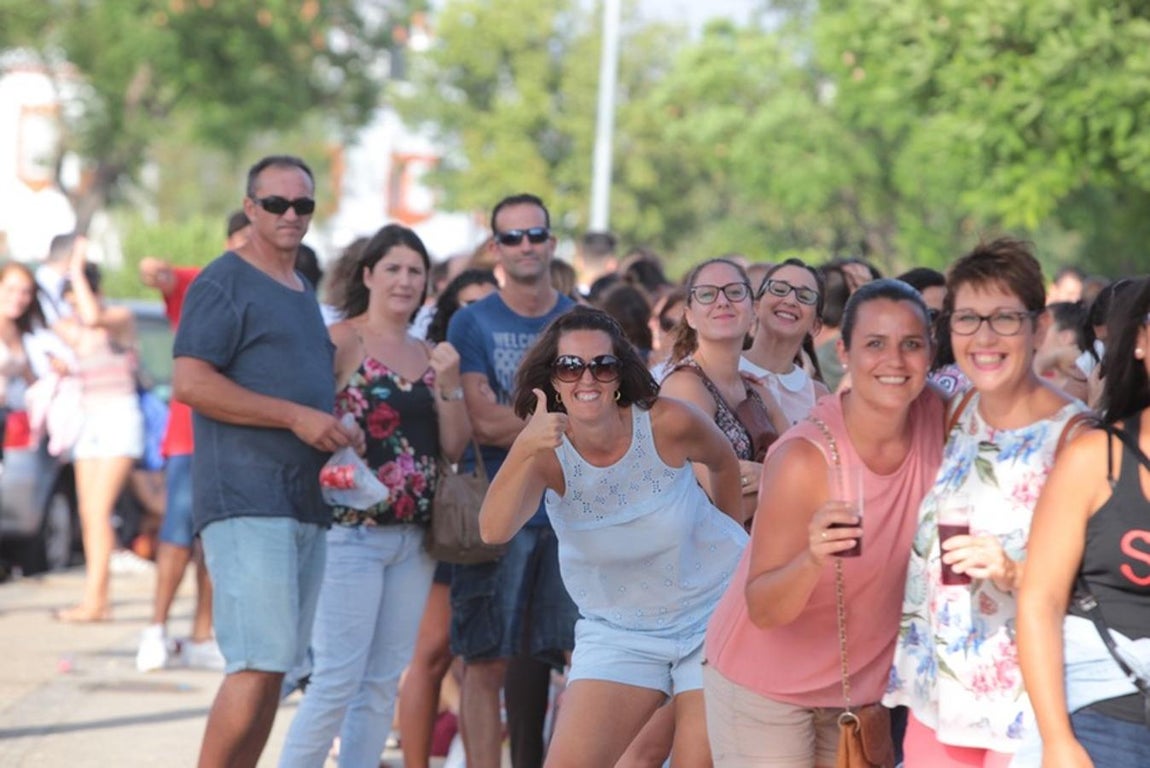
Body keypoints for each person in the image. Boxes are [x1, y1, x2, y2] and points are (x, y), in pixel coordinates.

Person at [479, 306, 747, 766]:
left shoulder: (667, 423)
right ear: (553, 379)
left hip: (714, 616)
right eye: (570, 366)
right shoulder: (546, 454)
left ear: (620, 373)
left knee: (692, 760)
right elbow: (492, 530)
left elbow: (723, 463)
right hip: (620, 631)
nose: (588, 378)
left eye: (602, 365)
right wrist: (525, 443)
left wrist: (731, 538)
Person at [704, 278, 945, 767]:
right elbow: (763, 607)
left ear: (931, 351)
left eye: (911, 344)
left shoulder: (937, 416)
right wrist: (813, 555)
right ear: (845, 351)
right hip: (764, 688)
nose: (894, 361)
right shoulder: (805, 459)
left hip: (855, 695)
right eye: (875, 344)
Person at [172, 155, 363, 768]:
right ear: (250, 208)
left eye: (302, 205)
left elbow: (304, 389)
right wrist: (293, 416)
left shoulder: (301, 289)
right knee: (256, 663)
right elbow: (191, 382)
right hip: (246, 497)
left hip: (303, 499)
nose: (290, 215)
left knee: (274, 668)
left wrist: (334, 424)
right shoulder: (224, 280)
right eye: (275, 203)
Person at [884, 238, 1090, 766]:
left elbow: (1098, 588)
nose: (984, 337)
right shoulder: (955, 411)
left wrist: (1014, 571)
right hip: (940, 697)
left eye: (1004, 318)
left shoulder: (1076, 438)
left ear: (1038, 327)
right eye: (968, 319)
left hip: (1028, 707)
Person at [280, 224, 471, 766]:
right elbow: (304, 423)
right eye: (393, 268)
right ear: (368, 275)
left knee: (382, 683)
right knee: (337, 679)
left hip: (417, 537)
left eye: (415, 270)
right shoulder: (342, 341)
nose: (405, 280)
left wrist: (451, 380)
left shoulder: (431, 353)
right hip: (349, 533)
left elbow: (453, 446)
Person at [445, 193, 579, 768]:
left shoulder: (580, 319)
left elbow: (605, 420)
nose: (526, 245)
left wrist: (521, 426)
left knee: (580, 659)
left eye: (535, 234)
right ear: (496, 248)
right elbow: (480, 419)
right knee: (486, 660)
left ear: (551, 241)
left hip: (576, 513)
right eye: (512, 237)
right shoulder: (472, 320)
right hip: (499, 509)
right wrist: (561, 426)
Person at [1017, 276, 1150, 766]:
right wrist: (1057, 740)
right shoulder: (1096, 458)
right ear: (1137, 340)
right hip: (1105, 715)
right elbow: (1040, 601)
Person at [401, 267, 498, 768]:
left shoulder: (513, 353)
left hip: (505, 507)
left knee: (489, 657)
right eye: (467, 305)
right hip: (449, 510)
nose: (478, 314)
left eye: (488, 302)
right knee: (433, 649)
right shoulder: (431, 358)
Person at [135, 253, 223, 672]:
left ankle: (202, 635)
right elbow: (163, 275)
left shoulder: (274, 290)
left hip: (233, 438)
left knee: (213, 540)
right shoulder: (205, 280)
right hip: (190, 434)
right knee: (176, 531)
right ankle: (155, 629)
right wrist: (154, 270)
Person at [52, 239, 144, 623]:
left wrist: (77, 267)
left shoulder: (119, 319)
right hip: (89, 421)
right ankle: (95, 598)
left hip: (119, 418)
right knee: (89, 515)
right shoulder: (73, 329)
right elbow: (65, 320)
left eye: (79, 297)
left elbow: (93, 316)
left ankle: (97, 599)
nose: (75, 308)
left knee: (98, 508)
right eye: (70, 301)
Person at [662, 257, 787, 524]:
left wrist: (767, 475)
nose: (722, 301)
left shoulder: (758, 390)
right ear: (689, 316)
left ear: (753, 310)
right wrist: (776, 476)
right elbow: (729, 507)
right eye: (707, 294)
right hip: (708, 557)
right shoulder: (684, 387)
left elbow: (812, 469)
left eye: (734, 292)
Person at [741, 258, 830, 426]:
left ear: (815, 325)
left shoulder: (818, 397)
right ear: (756, 306)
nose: (790, 301)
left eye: (805, 296)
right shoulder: (724, 370)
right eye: (779, 289)